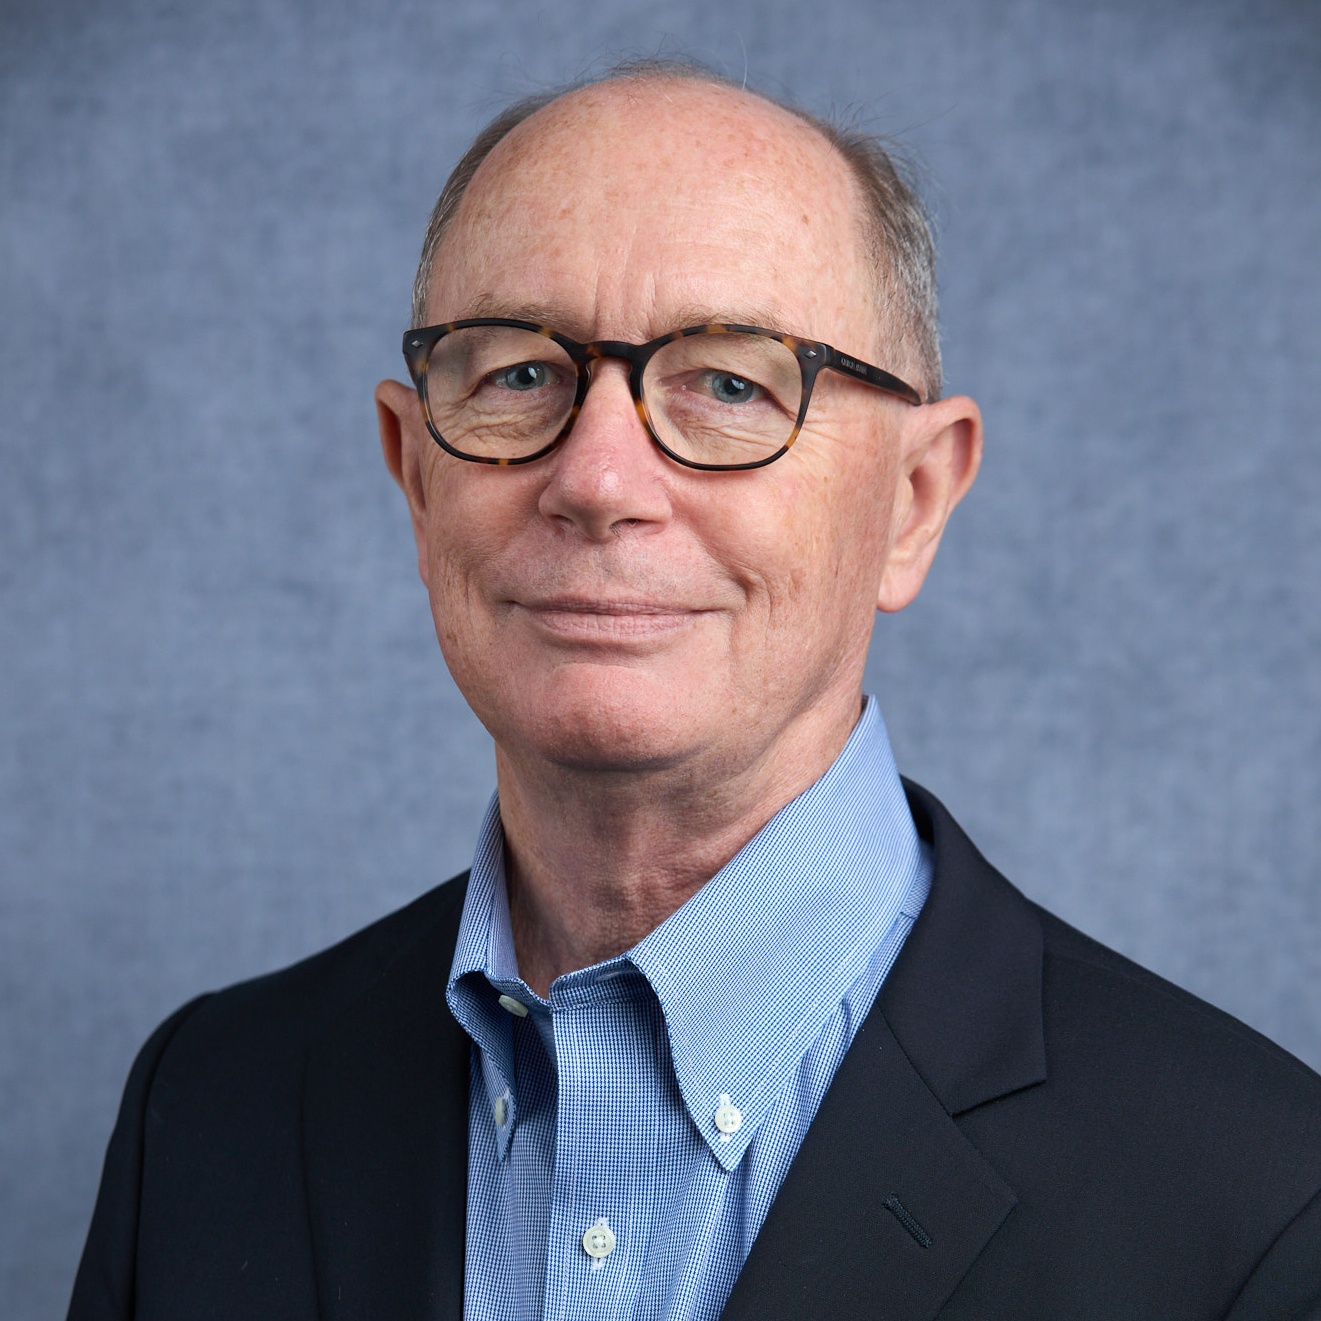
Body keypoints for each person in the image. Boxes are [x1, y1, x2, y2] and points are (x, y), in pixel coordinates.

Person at [69, 61, 1321, 1321]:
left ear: (913, 501)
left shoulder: (1262, 1202)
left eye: (731, 383)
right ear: (415, 478)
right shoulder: (208, 1104)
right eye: (514, 375)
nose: (598, 479)